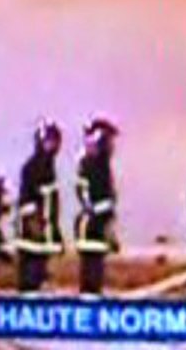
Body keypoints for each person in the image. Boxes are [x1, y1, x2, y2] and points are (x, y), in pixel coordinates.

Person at [14, 120, 64, 293]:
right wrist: (36, 225)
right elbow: (29, 200)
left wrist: (54, 232)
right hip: (33, 233)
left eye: (56, 142)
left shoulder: (48, 166)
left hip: (42, 231)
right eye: (50, 141)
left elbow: (50, 201)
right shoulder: (34, 167)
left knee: (38, 270)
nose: (54, 146)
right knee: (30, 274)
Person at [75, 118, 120, 296]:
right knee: (91, 271)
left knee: (96, 271)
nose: (112, 147)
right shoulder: (91, 165)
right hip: (92, 226)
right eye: (108, 141)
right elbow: (87, 197)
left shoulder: (101, 165)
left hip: (98, 224)